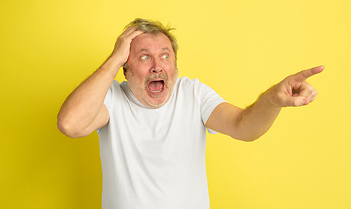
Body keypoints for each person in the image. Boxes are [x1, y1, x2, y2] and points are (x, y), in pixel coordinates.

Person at [57, 18, 324, 209]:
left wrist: (272, 101)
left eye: (165, 56)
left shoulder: (193, 93)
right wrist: (114, 58)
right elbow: (70, 124)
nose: (157, 66)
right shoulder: (112, 99)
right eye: (143, 57)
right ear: (125, 69)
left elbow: (244, 126)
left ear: (175, 65)